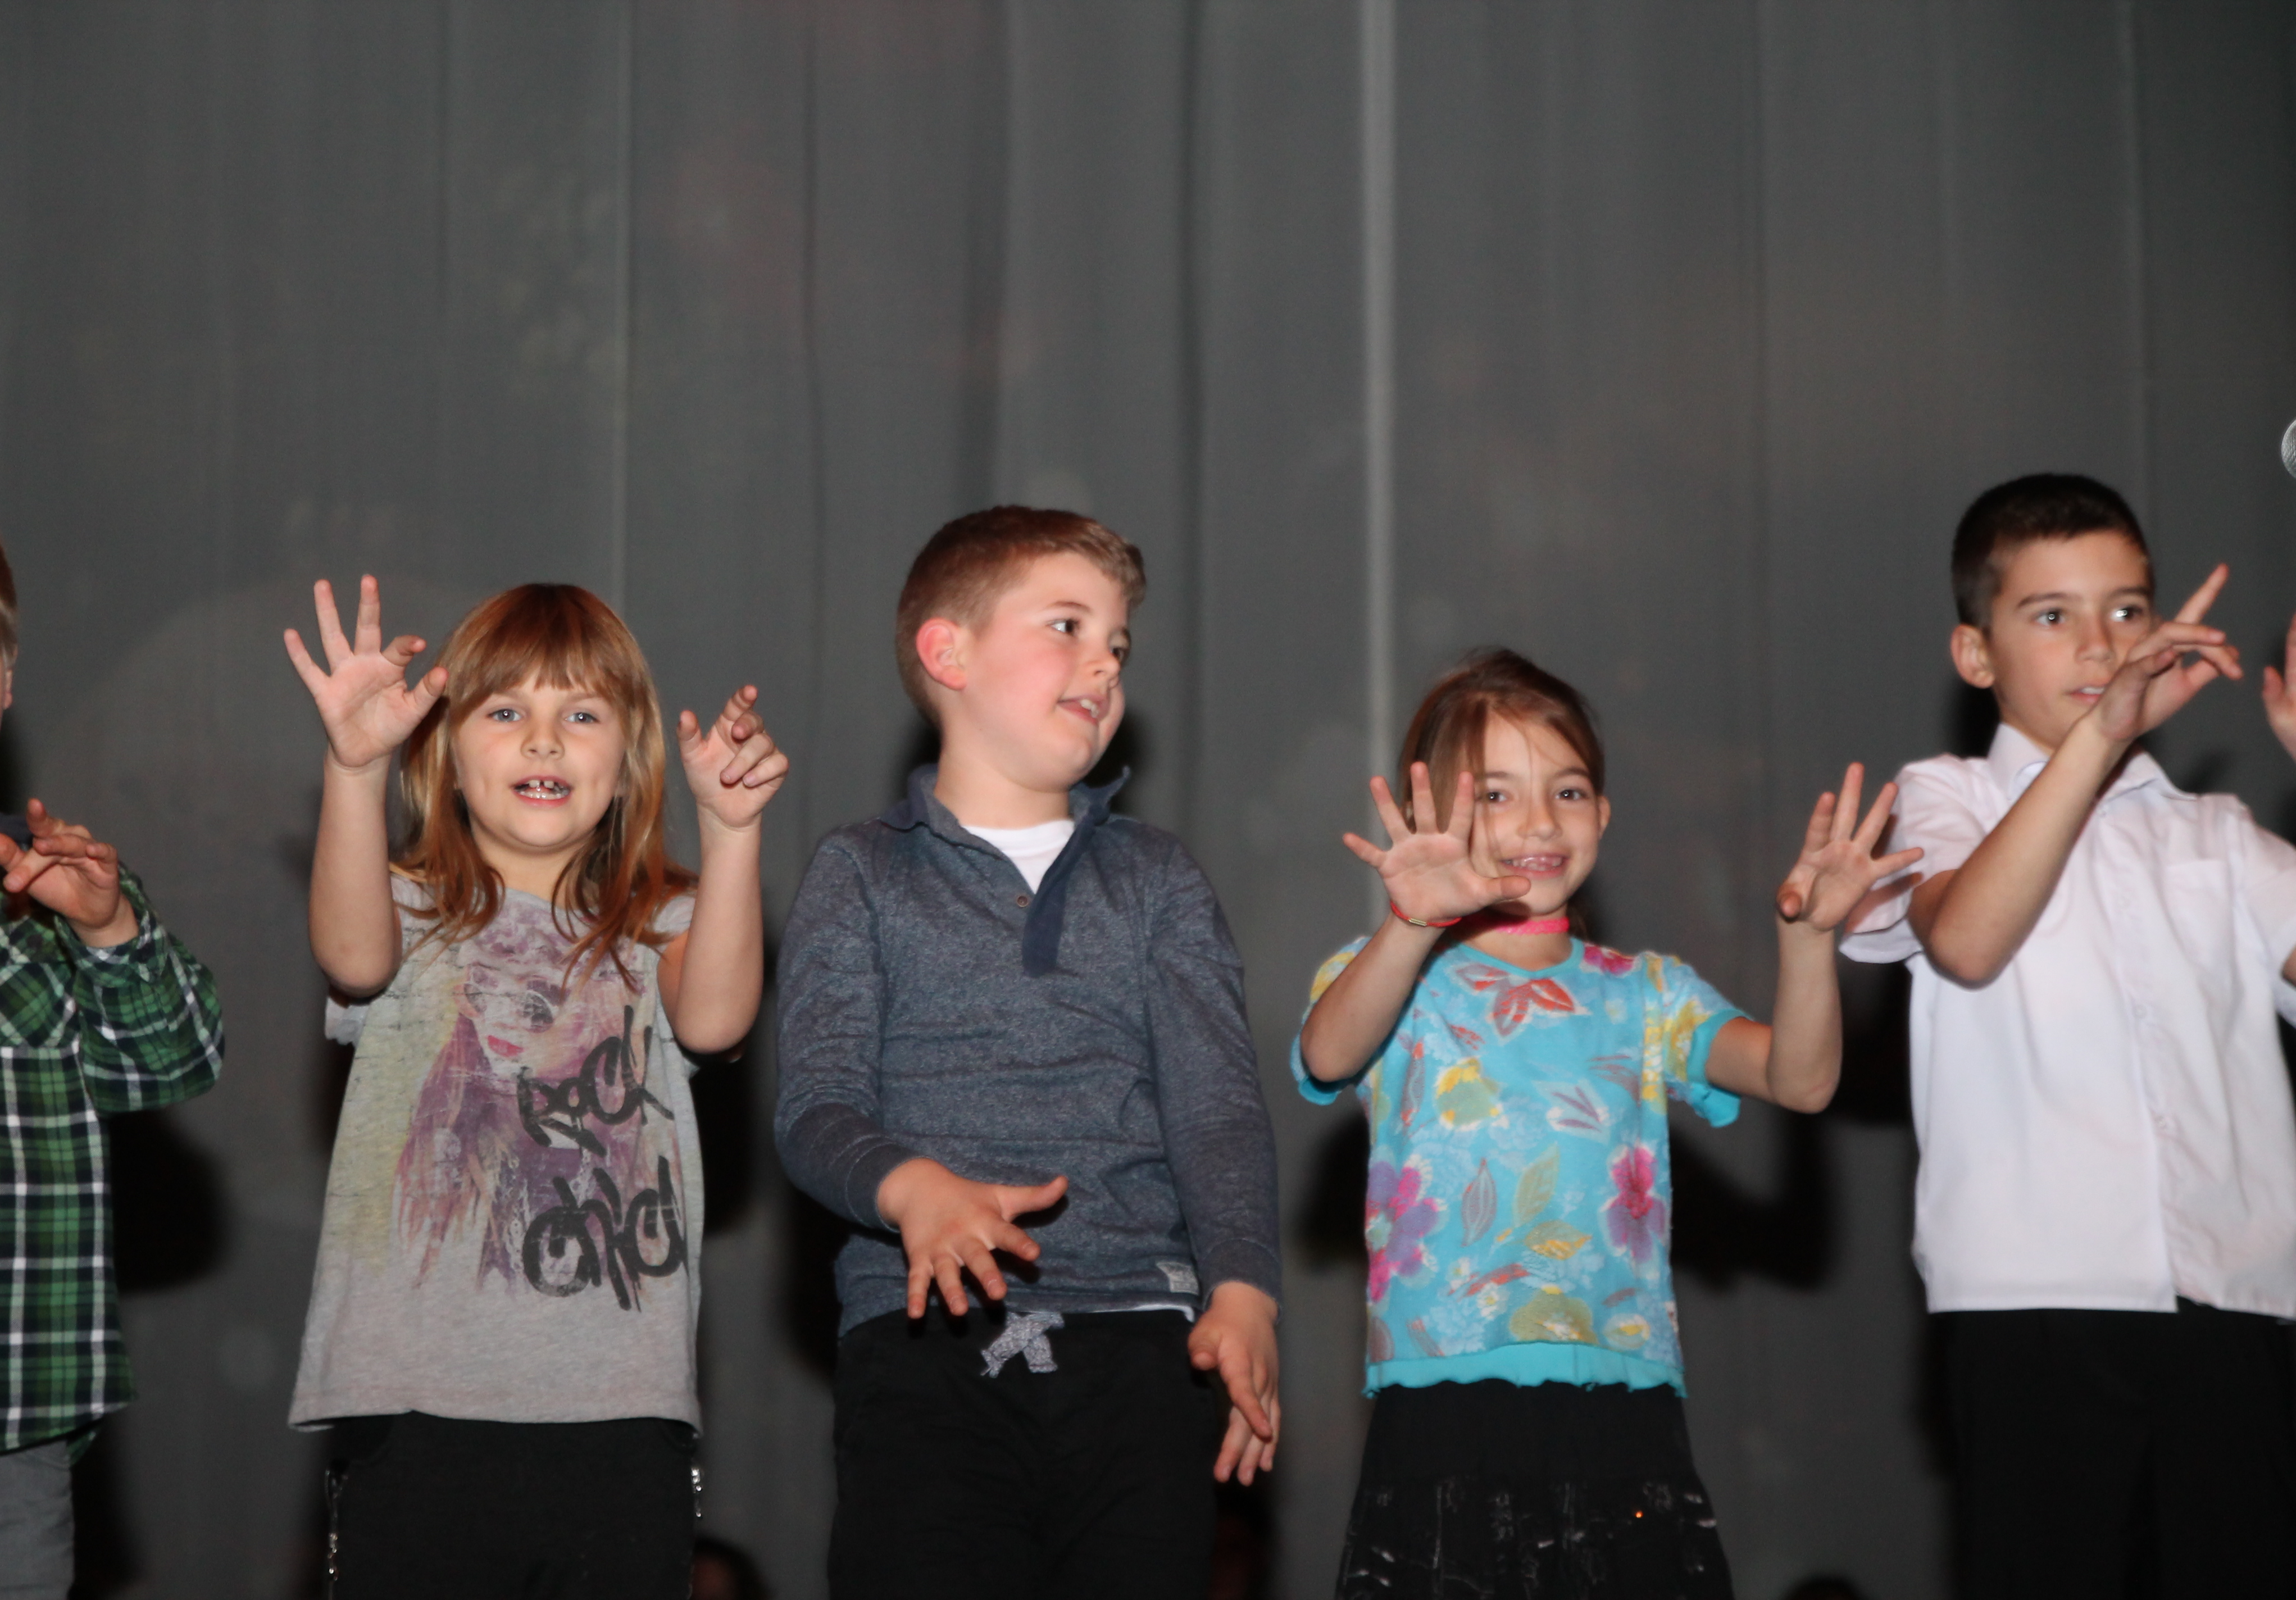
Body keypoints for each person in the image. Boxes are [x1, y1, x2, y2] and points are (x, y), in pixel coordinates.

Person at [1296, 648, 1912, 1600]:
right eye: (1495, 795)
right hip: (1444, 1405)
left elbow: (1800, 1079)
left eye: (1569, 790)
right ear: (1434, 818)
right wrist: (1410, 926)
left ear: (1605, 814)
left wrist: (1808, 940)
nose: (1540, 821)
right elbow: (1331, 1054)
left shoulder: (1646, 992)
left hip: (1622, 1404)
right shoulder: (1393, 977)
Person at [773, 506, 1282, 1600]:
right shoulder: (860, 872)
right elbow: (814, 1108)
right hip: (923, 1333)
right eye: (1067, 625)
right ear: (948, 651)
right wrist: (911, 1188)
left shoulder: (1156, 877)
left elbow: (1217, 1111)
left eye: (1118, 642)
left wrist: (1244, 1291)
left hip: (1140, 1341)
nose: (1105, 660)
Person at [282, 578, 785, 1598]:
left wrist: (732, 834)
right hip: (414, 1408)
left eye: (582, 715)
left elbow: (717, 1021)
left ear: (629, 760)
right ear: (445, 753)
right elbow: (351, 958)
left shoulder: (663, 927)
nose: (545, 740)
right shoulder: (404, 908)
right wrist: (355, 767)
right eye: (506, 712)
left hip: (617, 1416)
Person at [1842, 473, 2296, 1594]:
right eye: (2052, 615)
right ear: (1975, 654)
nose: (2100, 644)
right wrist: (2100, 737)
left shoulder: (2218, 831)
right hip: (2036, 1302)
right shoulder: (1945, 796)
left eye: (2128, 609)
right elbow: (1967, 941)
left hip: (2242, 1303)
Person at [0, 481, 223, 1599]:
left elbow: (178, 1059)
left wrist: (110, 929)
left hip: (8, 1436)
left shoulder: (65, 891)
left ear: (10, 674)